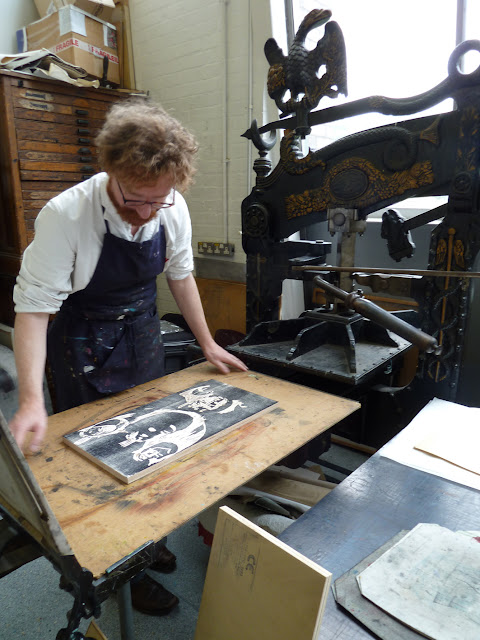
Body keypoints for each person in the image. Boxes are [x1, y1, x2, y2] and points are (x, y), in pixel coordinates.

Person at [8, 98, 248, 615]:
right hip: (83, 343)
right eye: (134, 199)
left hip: (142, 334)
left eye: (157, 202)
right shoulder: (66, 216)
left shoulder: (170, 205)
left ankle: (150, 544)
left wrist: (208, 343)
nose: (145, 212)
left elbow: (180, 276)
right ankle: (120, 571)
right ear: (110, 172)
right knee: (98, 462)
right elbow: (32, 311)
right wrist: (30, 399)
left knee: (155, 445)